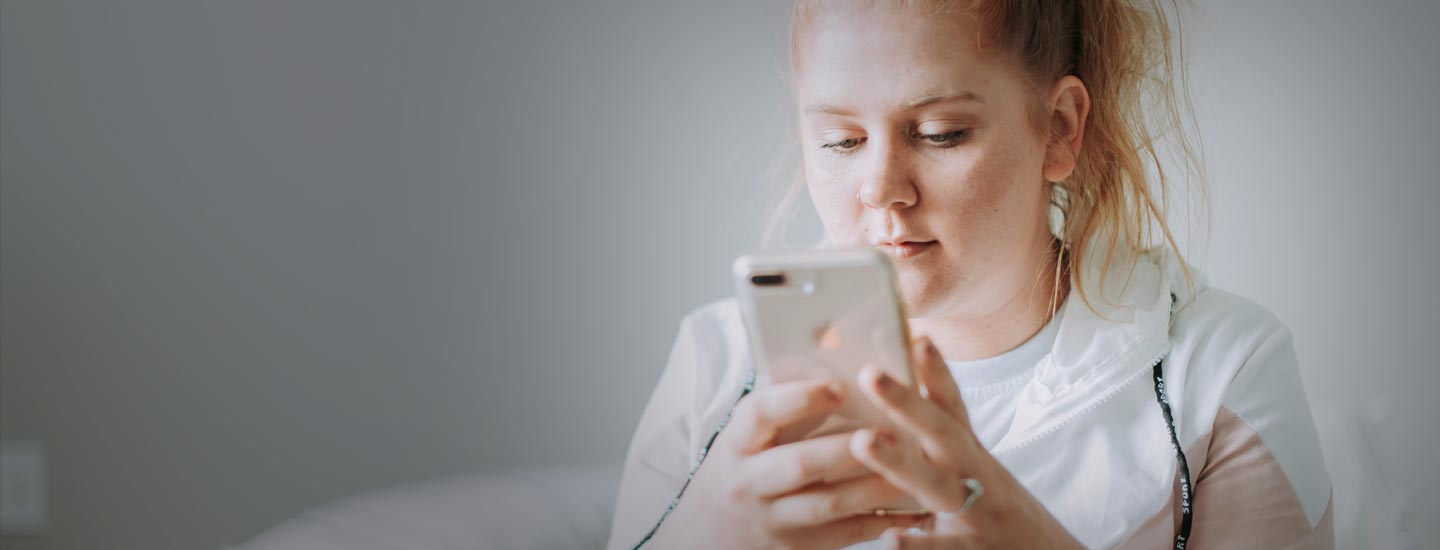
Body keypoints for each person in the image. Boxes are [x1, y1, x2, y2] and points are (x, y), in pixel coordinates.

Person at [607, 0, 1333, 548]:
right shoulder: (716, 365)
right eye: (840, 141)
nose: (881, 188)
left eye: (940, 133)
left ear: (1060, 128)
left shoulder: (1222, 372)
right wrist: (697, 533)